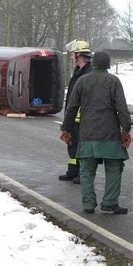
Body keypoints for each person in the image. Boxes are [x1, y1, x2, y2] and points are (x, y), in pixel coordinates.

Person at [60, 51, 131, 214]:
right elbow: (121, 109)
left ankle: (88, 204)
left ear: (94, 64)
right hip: (110, 134)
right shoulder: (114, 81)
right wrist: (126, 129)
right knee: (114, 168)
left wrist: (66, 128)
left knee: (86, 171)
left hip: (87, 134)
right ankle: (110, 202)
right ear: (107, 65)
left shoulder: (82, 81)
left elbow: (71, 107)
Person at [58, 40, 93, 184]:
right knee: (72, 145)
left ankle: (81, 173)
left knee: (82, 147)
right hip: (73, 118)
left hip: (83, 119)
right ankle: (72, 171)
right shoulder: (78, 72)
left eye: (73, 54)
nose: (72, 57)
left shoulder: (88, 74)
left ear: (79, 55)